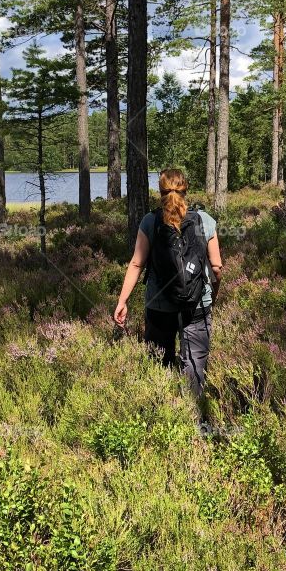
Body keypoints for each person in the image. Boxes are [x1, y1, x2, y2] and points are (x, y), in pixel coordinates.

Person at [113, 168, 222, 411]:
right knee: (194, 365)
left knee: (158, 362)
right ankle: (193, 419)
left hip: (159, 306)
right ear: (186, 189)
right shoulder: (205, 220)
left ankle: (160, 414)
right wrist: (212, 295)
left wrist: (122, 301)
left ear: (160, 191)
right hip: (197, 306)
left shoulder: (150, 221)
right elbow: (216, 267)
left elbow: (137, 263)